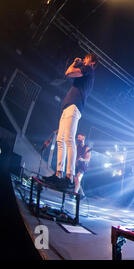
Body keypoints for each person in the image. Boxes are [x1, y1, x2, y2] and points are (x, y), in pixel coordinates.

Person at [44, 53, 97, 189]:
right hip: (68, 106)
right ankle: (58, 174)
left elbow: (70, 73)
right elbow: (68, 72)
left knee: (68, 139)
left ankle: (69, 177)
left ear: (92, 63)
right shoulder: (85, 71)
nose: (84, 60)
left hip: (74, 106)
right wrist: (74, 63)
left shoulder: (88, 70)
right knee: (60, 140)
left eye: (86, 59)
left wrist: (75, 64)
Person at [74, 133, 91, 198]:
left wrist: (82, 159)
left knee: (78, 178)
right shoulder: (76, 146)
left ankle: (75, 194)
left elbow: (88, 159)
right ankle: (83, 195)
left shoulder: (87, 148)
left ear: (83, 138)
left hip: (83, 166)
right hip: (76, 165)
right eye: (77, 137)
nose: (78, 139)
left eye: (79, 137)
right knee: (76, 180)